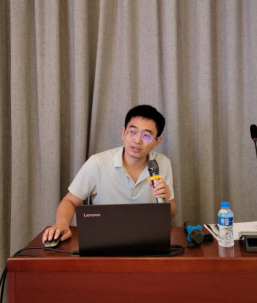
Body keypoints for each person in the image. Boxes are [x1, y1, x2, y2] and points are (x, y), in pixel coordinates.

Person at [43, 104, 176, 244]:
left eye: (146, 136)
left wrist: (166, 199)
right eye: (132, 132)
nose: (137, 140)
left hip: (148, 239)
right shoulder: (97, 163)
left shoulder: (162, 163)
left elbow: (171, 213)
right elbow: (69, 201)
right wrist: (62, 224)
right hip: (102, 240)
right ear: (123, 133)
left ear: (157, 141)